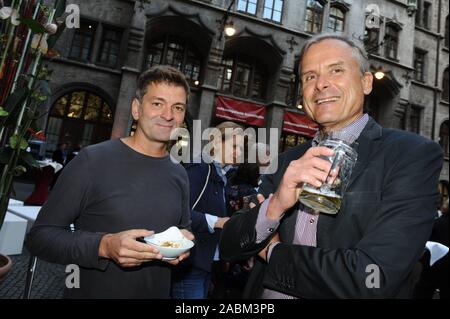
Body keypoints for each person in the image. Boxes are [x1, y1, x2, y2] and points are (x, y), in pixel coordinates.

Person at [219, 34, 444, 298]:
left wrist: (273, 252)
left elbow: (372, 277)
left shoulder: (411, 155)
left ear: (366, 82)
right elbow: (230, 245)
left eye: (336, 70)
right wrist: (277, 204)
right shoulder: (285, 162)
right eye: (309, 77)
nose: (321, 85)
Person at [25, 65, 194, 298]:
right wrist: (103, 246)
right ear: (136, 109)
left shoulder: (179, 173)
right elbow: (40, 238)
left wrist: (184, 243)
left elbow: (184, 228)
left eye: (177, 107)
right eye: (157, 103)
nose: (168, 115)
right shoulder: (92, 160)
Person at [171, 121, 243, 299]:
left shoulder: (224, 175)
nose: (240, 153)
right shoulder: (201, 168)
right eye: (235, 146)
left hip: (206, 264)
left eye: (242, 148)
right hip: (190, 264)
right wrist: (217, 222)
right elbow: (180, 212)